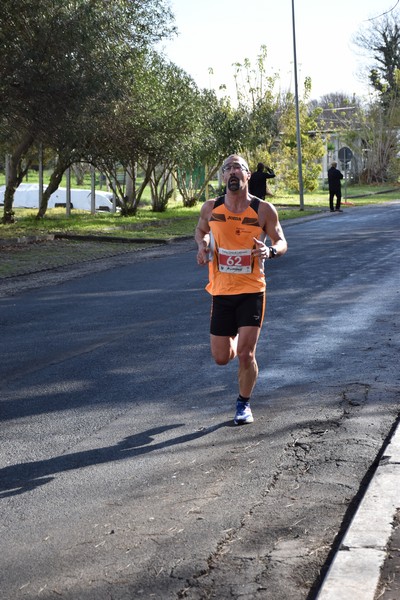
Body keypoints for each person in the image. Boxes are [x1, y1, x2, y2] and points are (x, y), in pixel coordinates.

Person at [195, 154, 287, 425]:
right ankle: (232, 340)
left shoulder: (263, 210)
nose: (233, 172)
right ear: (223, 177)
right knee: (222, 357)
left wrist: (270, 251)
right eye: (228, 168)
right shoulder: (211, 208)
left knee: (247, 354)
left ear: (247, 175)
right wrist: (202, 245)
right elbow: (200, 231)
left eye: (238, 167)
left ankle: (243, 404)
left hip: (252, 290)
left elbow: (281, 240)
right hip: (221, 291)